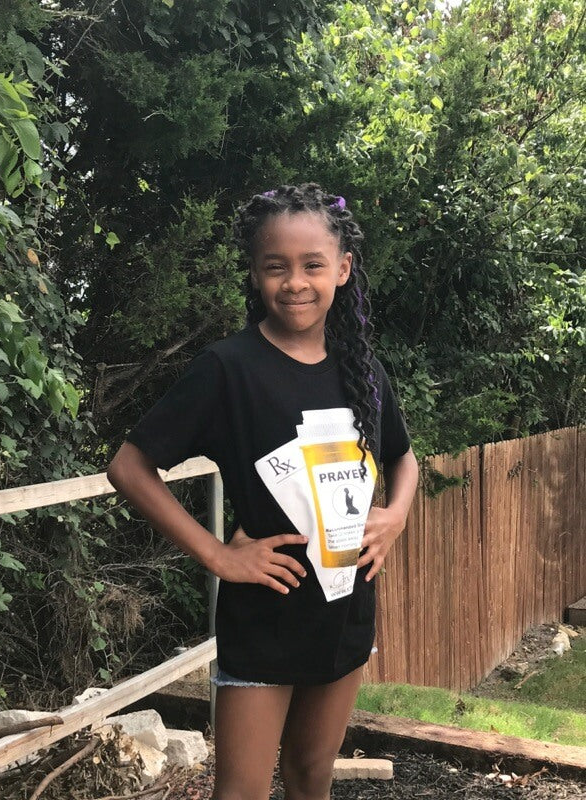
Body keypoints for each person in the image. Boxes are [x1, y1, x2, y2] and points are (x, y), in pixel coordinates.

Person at [107, 183, 418, 800]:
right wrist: (218, 556)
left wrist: (397, 515)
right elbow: (129, 467)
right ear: (254, 274)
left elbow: (403, 457)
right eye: (276, 266)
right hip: (264, 618)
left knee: (311, 777)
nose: (295, 282)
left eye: (312, 265)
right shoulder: (227, 369)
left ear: (343, 269)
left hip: (345, 610)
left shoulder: (362, 369)